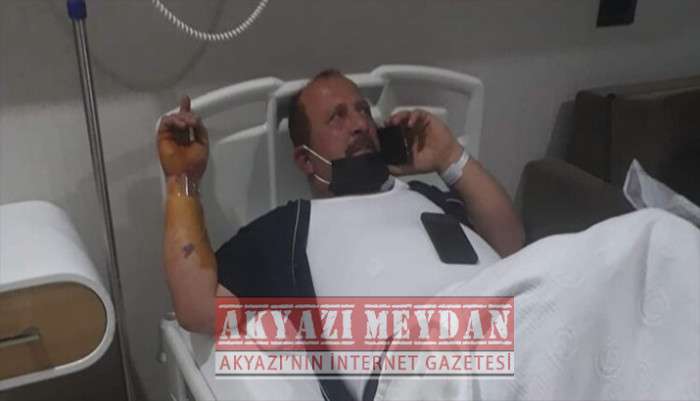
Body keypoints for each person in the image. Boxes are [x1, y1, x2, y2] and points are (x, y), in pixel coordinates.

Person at [157, 69, 524, 336]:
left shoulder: (424, 196)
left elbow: (510, 245)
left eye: (363, 110)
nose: (361, 124)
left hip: (516, 317)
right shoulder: (289, 231)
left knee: (564, 251)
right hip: (433, 364)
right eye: (338, 118)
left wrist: (449, 157)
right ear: (305, 160)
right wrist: (182, 179)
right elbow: (199, 310)